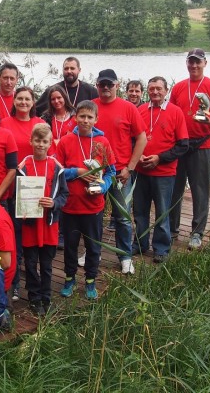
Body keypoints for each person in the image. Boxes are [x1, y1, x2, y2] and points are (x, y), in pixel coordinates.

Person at [168, 48, 210, 250]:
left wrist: (209, 121)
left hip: (203, 145)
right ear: (186, 63)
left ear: (205, 63)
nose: (194, 66)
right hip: (180, 146)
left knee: (200, 190)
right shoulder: (178, 87)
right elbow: (170, 115)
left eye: (198, 62)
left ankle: (197, 232)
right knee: (174, 190)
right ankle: (171, 229)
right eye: (191, 62)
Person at [55, 101, 116, 300]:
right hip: (71, 207)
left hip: (93, 208)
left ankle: (90, 280)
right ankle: (69, 278)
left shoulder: (103, 143)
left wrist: (102, 187)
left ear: (96, 119)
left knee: (93, 247)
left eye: (90, 117)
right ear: (75, 117)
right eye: (82, 116)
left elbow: (110, 172)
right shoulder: (66, 141)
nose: (85, 120)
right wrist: (78, 172)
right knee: (70, 246)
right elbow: (58, 172)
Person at [92, 69, 147, 275]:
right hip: (95, 173)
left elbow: (141, 138)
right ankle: (93, 251)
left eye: (110, 84)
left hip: (120, 173)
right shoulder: (91, 106)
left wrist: (130, 167)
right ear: (97, 85)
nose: (106, 88)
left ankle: (125, 256)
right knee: (94, 215)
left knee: (123, 217)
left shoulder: (128, 108)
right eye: (102, 84)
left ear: (116, 85)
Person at [0, 86, 49, 300]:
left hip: (33, 188)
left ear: (33, 101)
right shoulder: (5, 124)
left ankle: (35, 282)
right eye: (19, 98)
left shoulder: (40, 124)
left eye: (27, 99)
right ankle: (15, 283)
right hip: (12, 183)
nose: (23, 102)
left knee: (30, 235)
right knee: (14, 235)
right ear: (14, 101)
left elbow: (49, 155)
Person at [133, 76, 189, 264]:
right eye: (151, 89)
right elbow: (133, 138)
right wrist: (138, 156)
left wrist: (160, 158)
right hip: (141, 171)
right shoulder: (140, 110)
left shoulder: (175, 112)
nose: (155, 92)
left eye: (159, 88)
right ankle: (140, 244)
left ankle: (161, 248)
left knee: (162, 212)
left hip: (164, 173)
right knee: (140, 211)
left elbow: (183, 145)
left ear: (166, 91)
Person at [16, 123, 68, 315]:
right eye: (37, 140)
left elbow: (64, 194)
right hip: (30, 224)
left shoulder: (57, 167)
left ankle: (46, 298)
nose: (40, 144)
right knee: (30, 264)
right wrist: (20, 207)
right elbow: (16, 194)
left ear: (50, 144)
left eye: (44, 141)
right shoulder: (23, 166)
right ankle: (34, 298)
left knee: (46, 265)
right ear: (31, 141)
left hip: (49, 224)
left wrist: (54, 203)